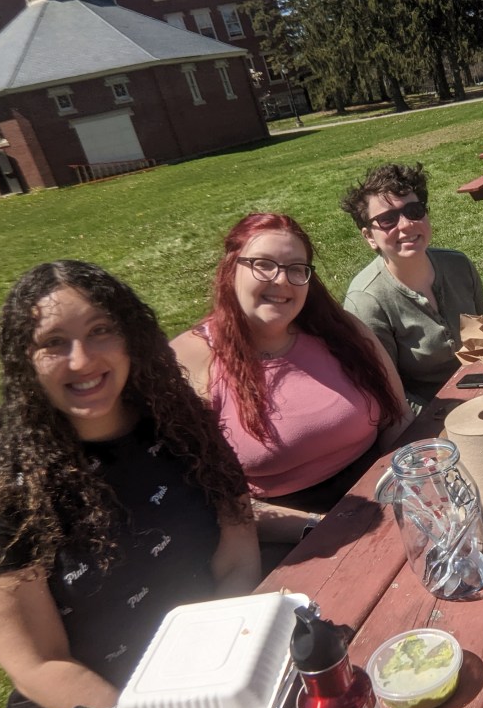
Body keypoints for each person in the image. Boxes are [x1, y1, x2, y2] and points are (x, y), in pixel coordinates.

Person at [0, 261, 260, 708]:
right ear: (23, 361)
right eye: (54, 342)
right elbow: (40, 664)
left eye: (100, 331)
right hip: (85, 707)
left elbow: (238, 555)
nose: (82, 360)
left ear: (129, 337)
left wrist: (216, 664)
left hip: (211, 653)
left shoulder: (183, 427)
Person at [171, 213, 412, 545]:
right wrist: (322, 528)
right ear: (230, 269)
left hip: (387, 495)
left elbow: (398, 419)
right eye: (264, 265)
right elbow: (208, 501)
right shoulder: (191, 360)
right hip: (293, 535)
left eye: (296, 269)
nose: (281, 281)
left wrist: (413, 489)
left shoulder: (340, 331)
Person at [340, 163, 483, 412]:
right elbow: (385, 394)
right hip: (429, 420)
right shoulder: (366, 301)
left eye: (414, 210)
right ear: (368, 236)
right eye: (387, 220)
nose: (407, 225)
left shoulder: (458, 265)